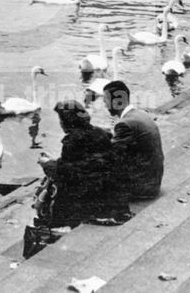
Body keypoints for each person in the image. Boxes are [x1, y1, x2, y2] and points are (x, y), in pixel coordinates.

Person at [33, 99, 124, 229]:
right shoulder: (99, 133)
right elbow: (80, 164)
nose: (60, 123)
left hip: (87, 195)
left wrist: (47, 164)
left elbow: (66, 173)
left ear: (66, 121)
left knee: (55, 184)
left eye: (60, 120)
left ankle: (54, 221)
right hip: (106, 190)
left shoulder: (73, 141)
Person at [102, 81, 164, 200]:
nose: (105, 105)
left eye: (106, 100)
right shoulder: (140, 115)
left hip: (143, 187)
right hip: (152, 180)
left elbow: (111, 155)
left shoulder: (124, 124)